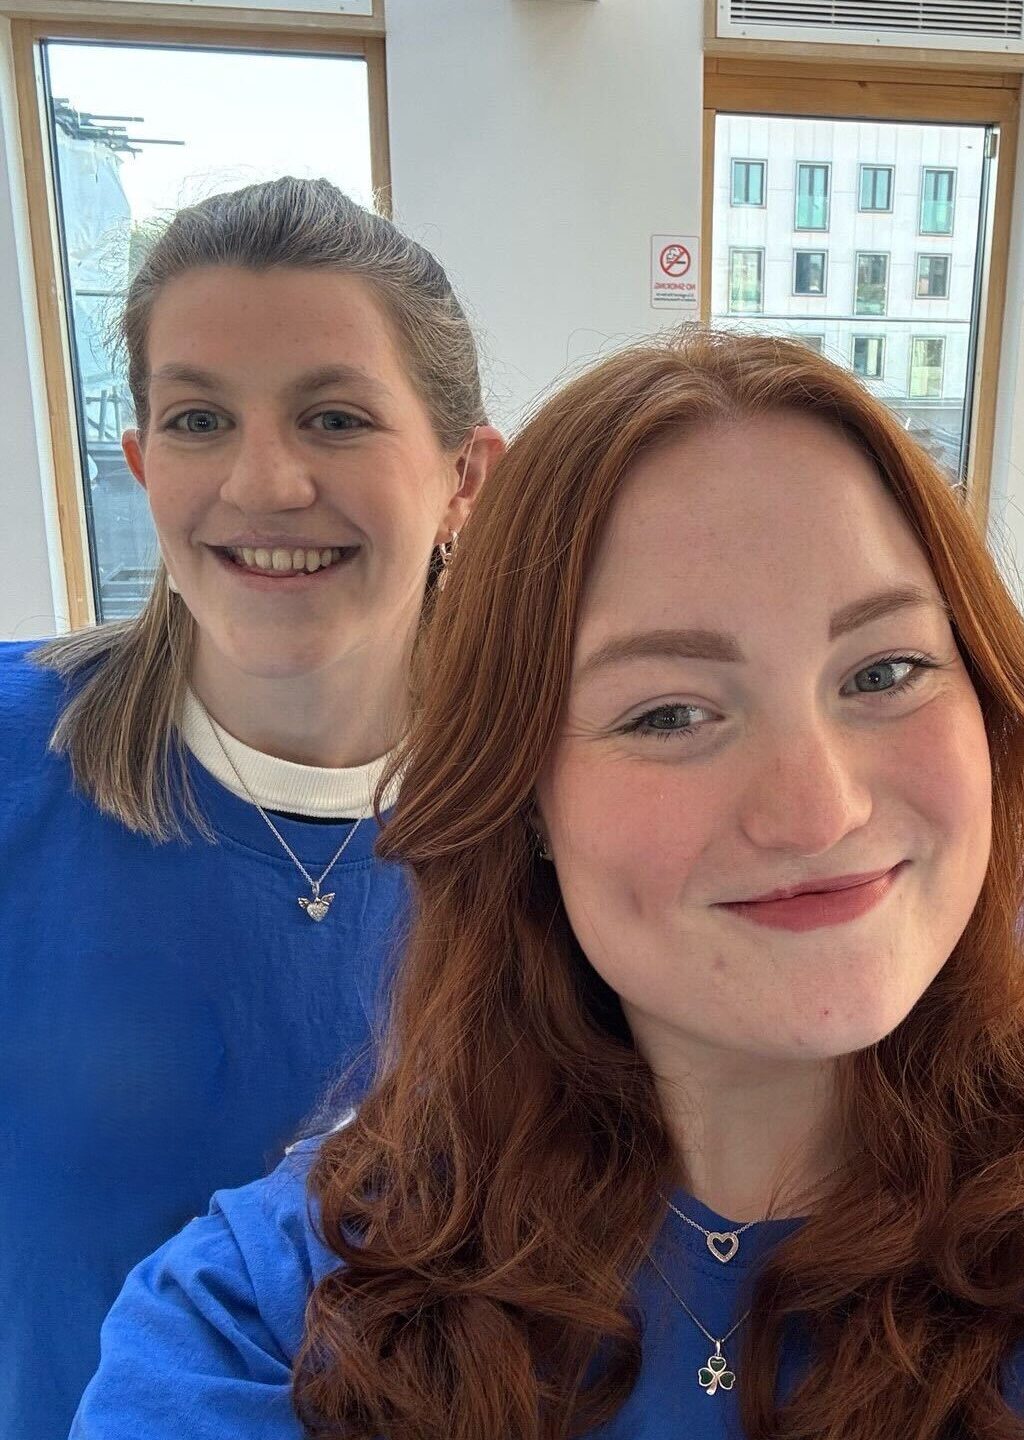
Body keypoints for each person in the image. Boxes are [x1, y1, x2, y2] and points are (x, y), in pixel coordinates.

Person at [74, 330, 1024, 1440]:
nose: (819, 808)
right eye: (669, 713)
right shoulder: (255, 1324)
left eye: (884, 673)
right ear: (521, 796)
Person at [0, 176, 504, 1440]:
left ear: (463, 476)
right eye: (199, 420)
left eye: (334, 418)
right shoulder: (14, 759)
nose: (264, 483)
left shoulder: (565, 818)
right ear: (141, 466)